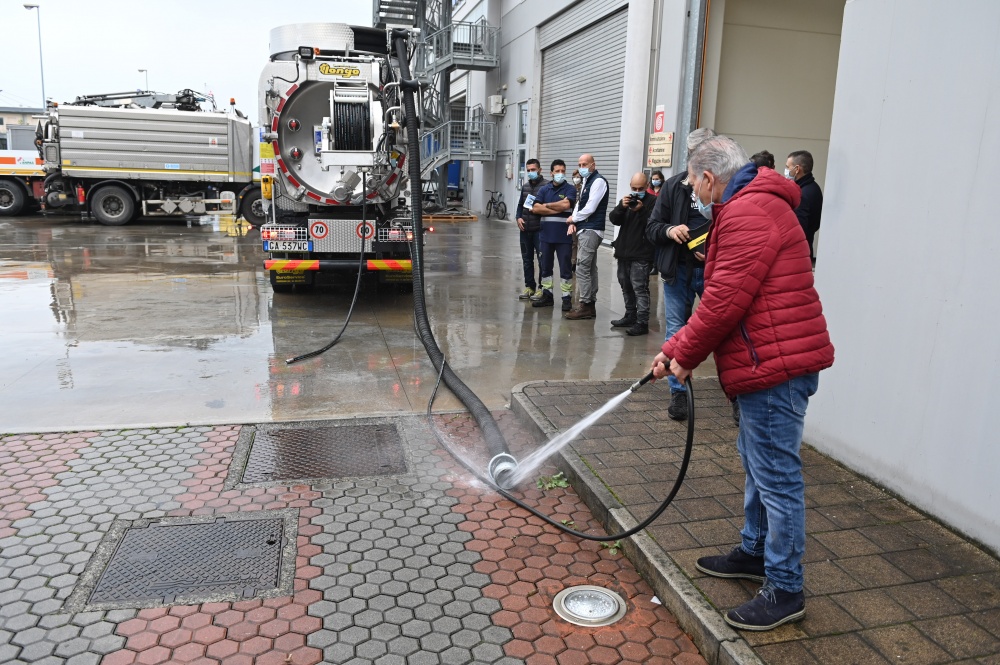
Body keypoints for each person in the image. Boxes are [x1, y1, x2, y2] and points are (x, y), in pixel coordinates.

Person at [650, 135, 834, 632]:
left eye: (693, 184)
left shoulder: (747, 213)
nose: (692, 192)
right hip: (765, 361)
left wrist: (682, 355)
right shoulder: (753, 206)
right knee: (759, 464)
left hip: (774, 364)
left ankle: (786, 588)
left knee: (777, 478)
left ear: (709, 178)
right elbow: (726, 299)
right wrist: (673, 349)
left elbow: (723, 301)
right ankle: (755, 552)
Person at [644, 127, 715, 420]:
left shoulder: (724, 188)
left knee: (723, 332)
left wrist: (714, 251)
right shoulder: (674, 187)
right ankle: (678, 394)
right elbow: (652, 227)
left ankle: (736, 397)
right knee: (676, 329)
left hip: (713, 273)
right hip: (679, 272)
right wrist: (670, 230)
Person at [609, 172, 656, 335]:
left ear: (647, 186)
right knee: (625, 286)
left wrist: (641, 210)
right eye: (634, 188)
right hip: (623, 252)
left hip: (642, 254)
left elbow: (653, 225)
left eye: (640, 188)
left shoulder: (653, 202)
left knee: (640, 288)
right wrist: (621, 207)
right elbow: (614, 219)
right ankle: (630, 315)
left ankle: (642, 322)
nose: (637, 191)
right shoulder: (627, 200)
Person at [564, 154, 609, 320]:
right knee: (589, 267)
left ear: (593, 165)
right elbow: (579, 204)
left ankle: (585, 303)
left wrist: (574, 219)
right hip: (585, 228)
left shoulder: (598, 181)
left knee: (582, 266)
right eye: (579, 164)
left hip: (592, 229)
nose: (582, 167)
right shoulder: (586, 182)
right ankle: (589, 305)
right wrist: (574, 221)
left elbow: (590, 207)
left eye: (585, 164)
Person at [530, 159, 577, 311]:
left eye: (563, 171)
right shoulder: (544, 189)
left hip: (564, 237)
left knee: (565, 267)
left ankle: (566, 298)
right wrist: (557, 207)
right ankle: (547, 295)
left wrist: (547, 205)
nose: (560, 174)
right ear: (551, 173)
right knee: (545, 267)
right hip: (546, 236)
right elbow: (536, 208)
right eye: (557, 171)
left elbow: (566, 205)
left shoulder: (570, 189)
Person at [515, 159, 546, 299]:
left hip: (539, 230)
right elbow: (521, 205)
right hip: (525, 230)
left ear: (540, 170)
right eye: (528, 170)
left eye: (533, 169)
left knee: (542, 260)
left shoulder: (547, 186)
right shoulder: (526, 186)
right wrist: (518, 217)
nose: (531, 172)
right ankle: (529, 287)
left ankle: (542, 288)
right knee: (527, 260)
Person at [785, 150, 823, 264]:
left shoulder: (802, 194)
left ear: (797, 169)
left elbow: (798, 229)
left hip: (797, 256)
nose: (786, 170)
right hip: (806, 250)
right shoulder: (814, 187)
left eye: (788, 167)